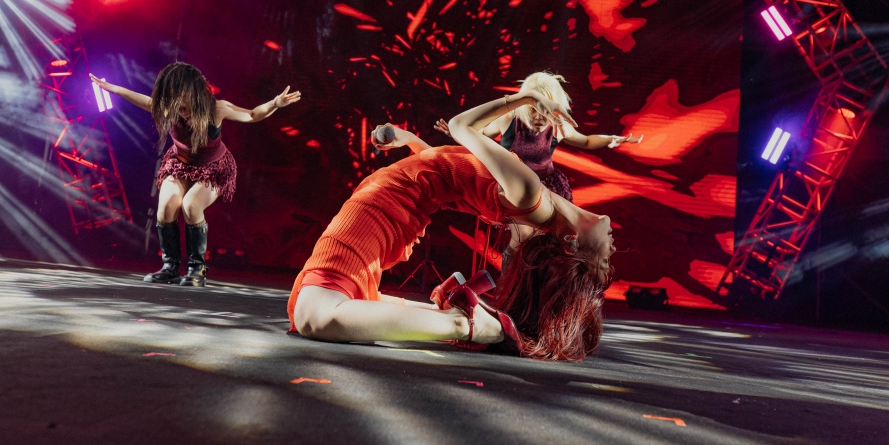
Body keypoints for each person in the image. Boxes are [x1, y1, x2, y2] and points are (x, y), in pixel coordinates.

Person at [288, 89, 615, 361]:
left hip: (387, 203)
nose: (613, 248)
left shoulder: (530, 195)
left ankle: (468, 323)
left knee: (316, 316)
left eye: (603, 260)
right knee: (328, 307)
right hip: (394, 200)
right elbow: (446, 172)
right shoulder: (533, 202)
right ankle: (460, 307)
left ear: (572, 242)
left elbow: (460, 126)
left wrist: (524, 98)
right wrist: (411, 140)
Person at [90, 63, 301, 287]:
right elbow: (146, 101)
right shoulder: (169, 107)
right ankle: (170, 267)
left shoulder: (216, 109)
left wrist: (275, 103)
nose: (177, 105)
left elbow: (252, 115)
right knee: (167, 204)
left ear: (193, 92)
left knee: (191, 205)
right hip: (179, 164)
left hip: (212, 168)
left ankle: (196, 269)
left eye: (181, 98)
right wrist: (113, 89)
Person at [436, 71, 641, 259]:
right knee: (522, 237)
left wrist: (611, 139)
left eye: (545, 114)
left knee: (548, 241)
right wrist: (458, 133)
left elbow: (586, 140)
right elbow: (479, 137)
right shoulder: (508, 120)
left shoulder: (558, 127)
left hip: (546, 189)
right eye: (534, 111)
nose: (539, 119)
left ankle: (537, 278)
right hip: (514, 189)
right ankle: (510, 280)